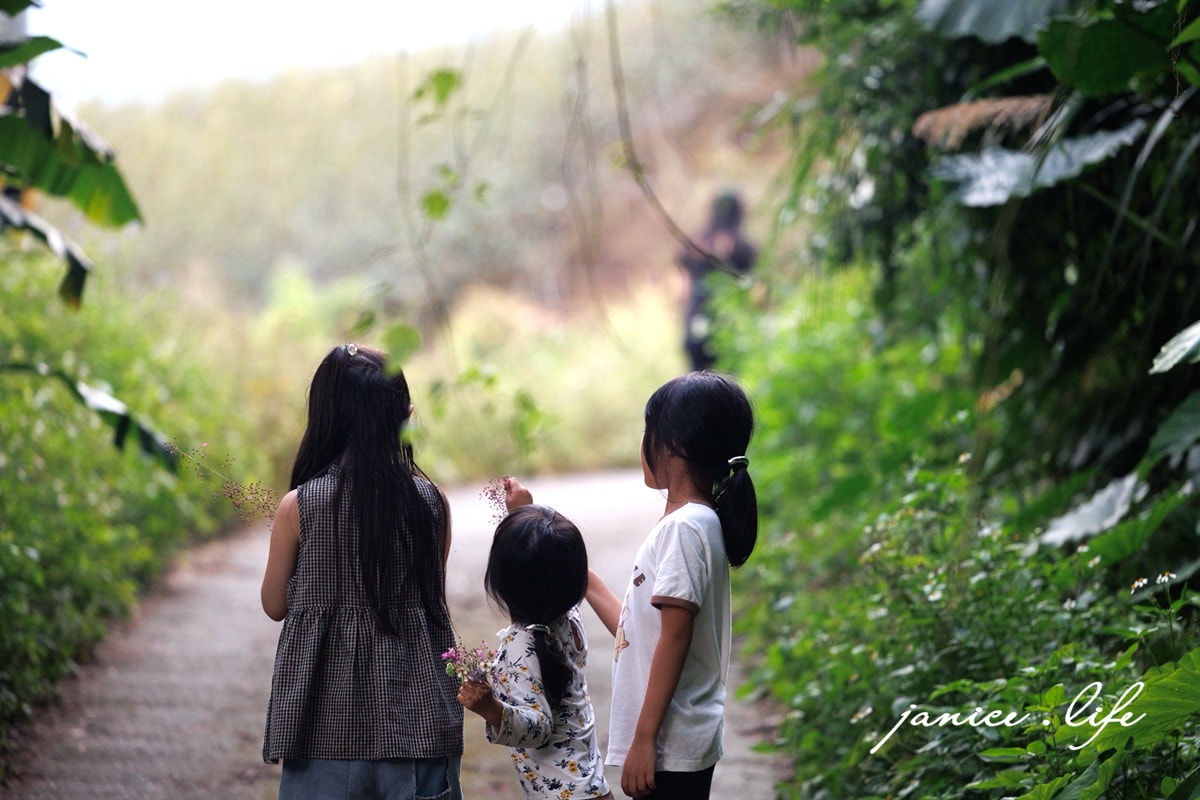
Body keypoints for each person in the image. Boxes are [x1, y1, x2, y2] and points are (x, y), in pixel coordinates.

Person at [508, 371, 757, 800]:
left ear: (673, 444)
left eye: (648, 431)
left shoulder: (684, 529)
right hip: (677, 742)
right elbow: (635, 631)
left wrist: (644, 740)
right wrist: (536, 524)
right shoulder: (695, 522)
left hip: (669, 745)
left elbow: (675, 637)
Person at [260, 342, 463, 800]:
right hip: (419, 729)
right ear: (405, 416)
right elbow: (431, 594)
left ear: (324, 418)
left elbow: (274, 604)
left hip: (323, 734)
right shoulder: (432, 504)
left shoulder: (300, 506)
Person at [456, 504, 612, 800]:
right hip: (589, 786)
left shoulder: (520, 646)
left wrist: (491, 709)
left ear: (499, 580)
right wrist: (525, 513)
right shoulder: (569, 620)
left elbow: (537, 729)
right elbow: (550, 567)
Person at [677, 191, 757, 372]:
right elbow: (756, 293)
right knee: (730, 381)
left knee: (695, 381)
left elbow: (682, 290)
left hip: (696, 323)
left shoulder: (695, 245)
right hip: (732, 328)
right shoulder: (744, 249)